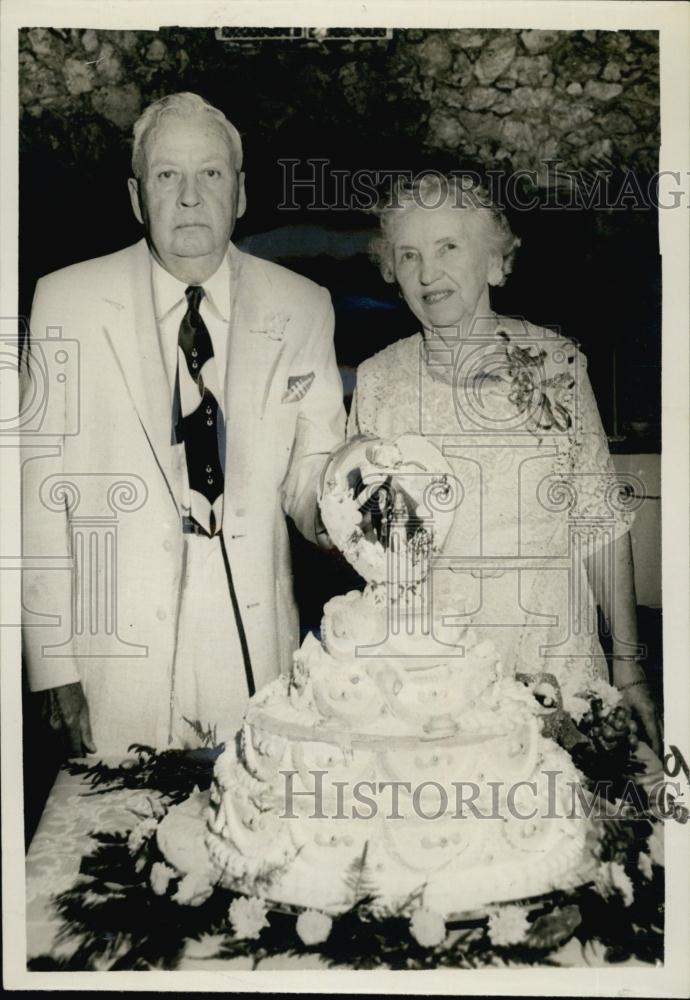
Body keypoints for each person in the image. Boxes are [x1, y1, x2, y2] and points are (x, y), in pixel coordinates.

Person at [21, 92, 345, 756]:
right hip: (116, 658)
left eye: (211, 174)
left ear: (243, 192)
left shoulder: (304, 306)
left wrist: (347, 515)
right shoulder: (64, 302)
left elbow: (312, 473)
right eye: (168, 176)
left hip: (252, 648)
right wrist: (54, 665)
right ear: (139, 198)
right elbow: (34, 496)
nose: (191, 197)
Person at [348, 172, 661, 754]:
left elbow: (598, 522)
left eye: (448, 247)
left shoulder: (556, 365)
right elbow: (369, 550)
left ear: (494, 263)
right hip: (436, 679)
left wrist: (629, 669)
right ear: (392, 272)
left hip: (556, 660)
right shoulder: (377, 383)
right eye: (409, 254)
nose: (427, 271)